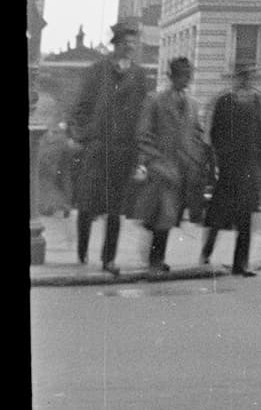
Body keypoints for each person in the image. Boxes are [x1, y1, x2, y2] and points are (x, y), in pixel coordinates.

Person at [68, 17, 153, 274]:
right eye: (126, 43)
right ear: (115, 44)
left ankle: (109, 260)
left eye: (133, 43)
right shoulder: (97, 70)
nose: (130, 47)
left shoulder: (139, 75)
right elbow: (82, 107)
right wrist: (82, 135)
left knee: (115, 208)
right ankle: (82, 250)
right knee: (87, 203)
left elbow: (143, 114)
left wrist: (141, 154)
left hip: (124, 150)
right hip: (98, 147)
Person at [133, 56, 206, 276]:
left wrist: (196, 157)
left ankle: (156, 256)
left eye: (188, 75)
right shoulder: (155, 101)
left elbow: (196, 134)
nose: (186, 80)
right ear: (171, 76)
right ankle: (156, 260)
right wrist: (153, 160)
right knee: (164, 215)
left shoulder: (192, 104)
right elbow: (143, 134)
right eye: (183, 76)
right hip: (161, 167)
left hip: (183, 169)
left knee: (169, 216)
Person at [201, 62, 261, 277]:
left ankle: (240, 264)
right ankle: (206, 251)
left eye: (249, 76)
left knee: (245, 218)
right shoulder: (225, 102)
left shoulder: (256, 102)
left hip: (248, 169)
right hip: (230, 167)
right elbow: (215, 133)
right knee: (219, 214)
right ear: (236, 78)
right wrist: (222, 158)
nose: (246, 80)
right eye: (243, 76)